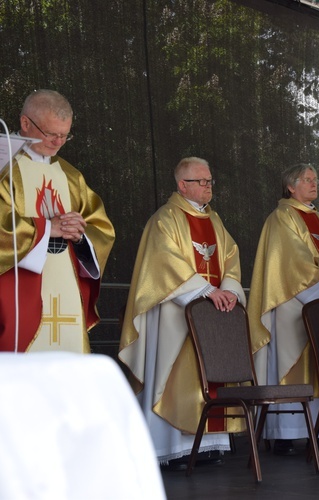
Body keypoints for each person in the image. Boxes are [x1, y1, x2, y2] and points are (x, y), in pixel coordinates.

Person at [119, 157, 244, 468]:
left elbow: (230, 255)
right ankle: (169, 449)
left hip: (215, 311)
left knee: (210, 371)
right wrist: (206, 291)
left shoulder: (214, 221)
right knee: (174, 373)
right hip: (174, 316)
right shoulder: (165, 219)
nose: (208, 187)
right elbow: (164, 263)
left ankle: (210, 445)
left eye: (210, 181)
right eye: (201, 181)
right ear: (181, 185)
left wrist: (227, 289)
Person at [0, 89, 115, 353]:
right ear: (25, 123)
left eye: (65, 135)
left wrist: (80, 235)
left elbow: (102, 229)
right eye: (51, 134)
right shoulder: (5, 169)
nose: (58, 142)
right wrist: (45, 228)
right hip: (18, 294)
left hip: (67, 292)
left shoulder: (72, 177)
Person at [248, 163, 319, 456]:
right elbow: (292, 260)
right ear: (290, 186)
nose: (313, 183)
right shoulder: (281, 217)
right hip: (293, 303)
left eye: (315, 179)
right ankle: (285, 432)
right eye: (307, 180)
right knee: (292, 363)